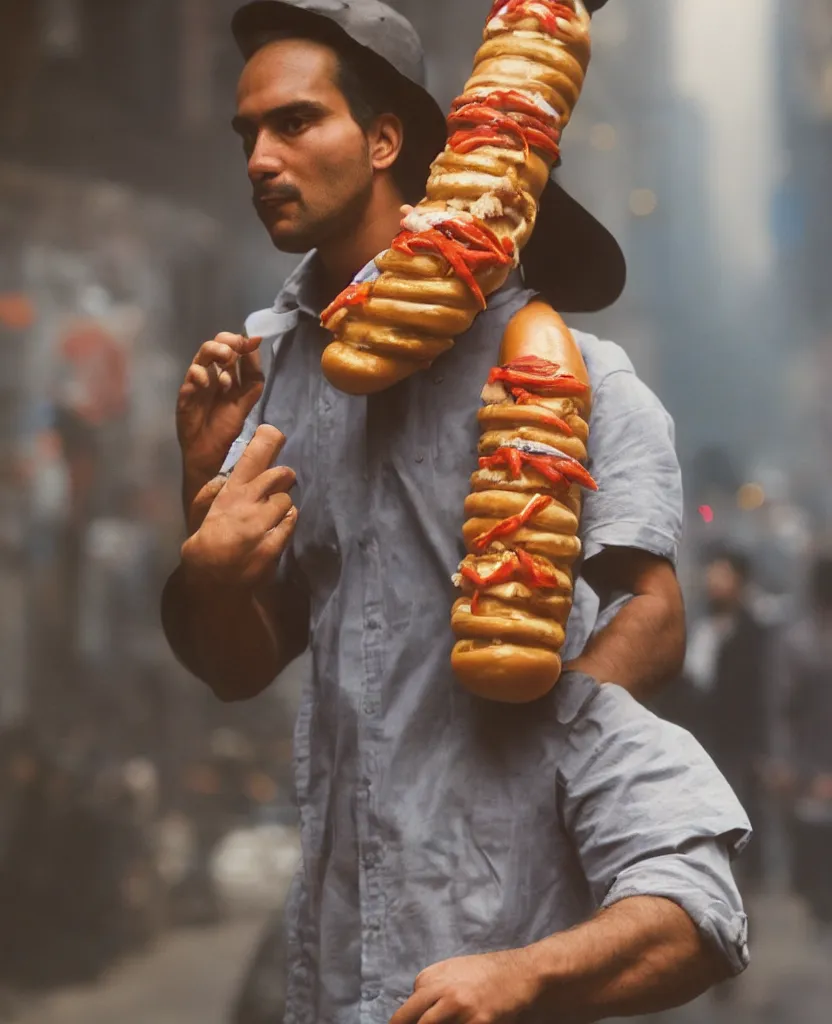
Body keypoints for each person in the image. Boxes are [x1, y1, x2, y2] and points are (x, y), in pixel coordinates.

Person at [162, 2, 750, 1021]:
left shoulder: (578, 382)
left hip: (509, 921)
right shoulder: (273, 380)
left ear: (387, 140)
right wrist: (206, 534)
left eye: (295, 123)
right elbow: (240, 665)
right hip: (341, 929)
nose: (259, 158)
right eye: (247, 133)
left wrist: (524, 768)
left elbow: (650, 616)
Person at [683, 546, 770, 887]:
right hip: (701, 741)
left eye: (722, 574)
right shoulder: (701, 629)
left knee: (736, 825)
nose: (713, 581)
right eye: (711, 574)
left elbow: (761, 695)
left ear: (740, 581)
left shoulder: (753, 634)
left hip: (737, 745)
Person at [777, 553, 832, 926]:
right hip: (814, 766)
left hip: (812, 766)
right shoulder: (802, 643)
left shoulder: (800, 641)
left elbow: (784, 709)